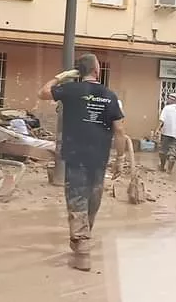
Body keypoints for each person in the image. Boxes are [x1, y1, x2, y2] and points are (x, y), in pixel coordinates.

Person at [39, 53, 126, 272]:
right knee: (93, 200)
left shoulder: (71, 90)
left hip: (76, 156)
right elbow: (120, 130)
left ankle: (82, 248)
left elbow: (42, 93)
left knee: (77, 199)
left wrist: (61, 77)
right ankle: (82, 241)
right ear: (97, 71)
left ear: (78, 72)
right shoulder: (109, 95)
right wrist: (120, 159)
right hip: (99, 158)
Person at [158, 93, 176, 173]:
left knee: (163, 151)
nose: (167, 100)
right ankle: (169, 170)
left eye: (168, 99)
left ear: (171, 100)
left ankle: (162, 167)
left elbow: (162, 121)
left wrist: (157, 129)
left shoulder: (166, 108)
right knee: (173, 152)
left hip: (166, 133)